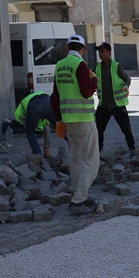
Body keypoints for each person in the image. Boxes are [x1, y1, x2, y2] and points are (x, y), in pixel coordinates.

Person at [51, 34, 100, 216]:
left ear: (68, 47)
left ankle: (78, 195)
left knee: (75, 159)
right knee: (91, 160)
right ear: (83, 49)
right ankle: (79, 200)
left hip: (68, 121)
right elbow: (87, 92)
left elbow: (55, 96)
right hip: (83, 119)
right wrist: (94, 81)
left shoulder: (60, 65)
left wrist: (58, 120)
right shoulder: (80, 65)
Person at [93, 42, 135, 153]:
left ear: (109, 52)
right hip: (103, 104)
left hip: (117, 104)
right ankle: (98, 151)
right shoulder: (97, 67)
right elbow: (91, 80)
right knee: (99, 130)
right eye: (99, 51)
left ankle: (132, 149)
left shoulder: (116, 66)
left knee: (126, 128)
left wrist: (126, 86)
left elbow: (127, 79)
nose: (100, 54)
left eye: (102, 51)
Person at [3, 91, 57, 155]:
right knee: (60, 128)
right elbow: (47, 128)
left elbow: (33, 129)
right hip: (49, 102)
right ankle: (72, 148)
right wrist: (46, 147)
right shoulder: (21, 112)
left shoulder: (26, 112)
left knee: (30, 132)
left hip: (35, 105)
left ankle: (38, 154)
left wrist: (30, 128)